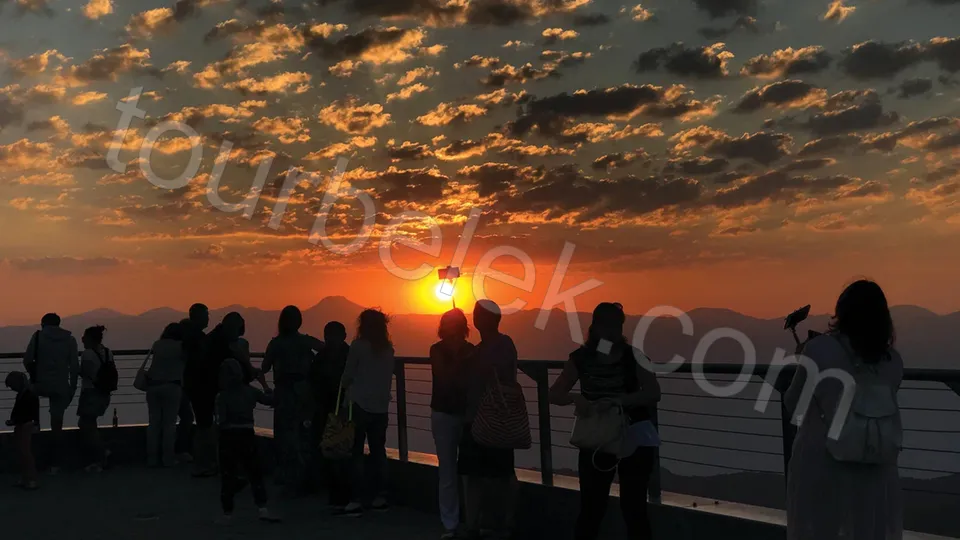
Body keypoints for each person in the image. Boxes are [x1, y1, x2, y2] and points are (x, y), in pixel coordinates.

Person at [784, 280, 904, 540]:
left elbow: (794, 405)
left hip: (822, 465)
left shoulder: (818, 349)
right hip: (873, 469)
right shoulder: (893, 361)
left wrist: (804, 361)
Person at [550, 302, 662, 540]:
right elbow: (554, 394)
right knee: (596, 508)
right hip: (603, 438)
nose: (612, 331)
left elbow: (653, 392)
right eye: (608, 325)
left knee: (628, 508)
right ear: (597, 327)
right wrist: (575, 398)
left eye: (616, 326)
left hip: (620, 437)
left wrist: (617, 401)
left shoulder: (631, 357)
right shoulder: (584, 358)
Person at [459, 300, 519, 540]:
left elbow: (491, 372)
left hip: (490, 418)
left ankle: (502, 523)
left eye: (477, 314)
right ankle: (478, 524)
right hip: (479, 418)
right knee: (480, 473)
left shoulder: (499, 346)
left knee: (500, 474)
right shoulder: (491, 346)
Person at [262, 305, 325, 493]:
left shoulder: (276, 343)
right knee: (304, 435)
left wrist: (265, 387)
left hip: (283, 394)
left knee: (284, 436)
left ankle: (289, 477)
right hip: (304, 394)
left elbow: (264, 368)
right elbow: (325, 348)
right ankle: (304, 477)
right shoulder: (305, 342)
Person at [195, 311, 266, 477]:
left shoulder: (212, 339)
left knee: (208, 427)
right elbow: (241, 365)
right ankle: (222, 464)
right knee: (218, 429)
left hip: (206, 388)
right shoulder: (229, 345)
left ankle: (209, 464)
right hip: (218, 389)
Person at [340, 308, 395, 517]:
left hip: (359, 405)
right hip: (381, 407)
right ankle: (380, 496)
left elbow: (347, 376)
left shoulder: (358, 346)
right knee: (378, 451)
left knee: (355, 453)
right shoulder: (388, 349)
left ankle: (356, 499)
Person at [216, 358, 281, 524]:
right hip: (247, 433)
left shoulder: (222, 396)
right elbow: (270, 400)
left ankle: (227, 513)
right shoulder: (250, 391)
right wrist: (266, 386)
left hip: (228, 435)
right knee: (254, 472)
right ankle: (262, 508)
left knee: (227, 474)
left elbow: (221, 420)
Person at [429, 308, 476, 539]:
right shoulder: (437, 350)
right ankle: (451, 522)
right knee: (448, 469)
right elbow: (444, 377)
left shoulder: (470, 351)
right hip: (445, 413)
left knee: (467, 469)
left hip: (464, 414)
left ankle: (468, 520)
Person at [22, 312, 78, 473]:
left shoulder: (38, 337)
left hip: (40, 383)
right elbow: (74, 367)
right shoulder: (70, 340)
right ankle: (56, 463)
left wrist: (34, 373)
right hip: (61, 386)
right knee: (57, 425)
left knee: (30, 412)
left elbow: (27, 360)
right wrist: (72, 389)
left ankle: (32, 455)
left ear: (43, 324)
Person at [310, 321, 351, 509]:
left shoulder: (327, 357)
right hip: (329, 409)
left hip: (343, 410)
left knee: (339, 451)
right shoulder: (343, 356)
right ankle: (336, 491)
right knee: (332, 450)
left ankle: (339, 492)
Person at [146, 322, 186, 467]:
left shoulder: (157, 344)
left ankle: (152, 458)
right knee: (169, 424)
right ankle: (168, 458)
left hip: (153, 386)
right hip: (172, 386)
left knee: (154, 424)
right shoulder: (181, 347)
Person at [78, 325, 114, 473]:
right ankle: (101, 454)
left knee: (87, 424)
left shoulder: (87, 354)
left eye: (84, 337)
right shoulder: (107, 352)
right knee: (90, 423)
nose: (82, 340)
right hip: (104, 392)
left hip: (90, 392)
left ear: (89, 339)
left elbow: (85, 372)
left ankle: (100, 456)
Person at [182, 305, 210, 471]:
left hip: (185, 383)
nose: (208, 319)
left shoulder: (185, 335)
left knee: (187, 417)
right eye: (206, 315)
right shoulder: (198, 338)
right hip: (196, 384)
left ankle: (185, 450)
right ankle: (198, 456)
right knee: (201, 421)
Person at [6, 371, 39, 490]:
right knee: (23, 453)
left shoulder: (27, 395)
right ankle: (27, 477)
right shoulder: (26, 393)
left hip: (25, 426)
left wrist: (14, 420)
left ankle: (31, 478)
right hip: (23, 425)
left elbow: (26, 413)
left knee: (25, 453)